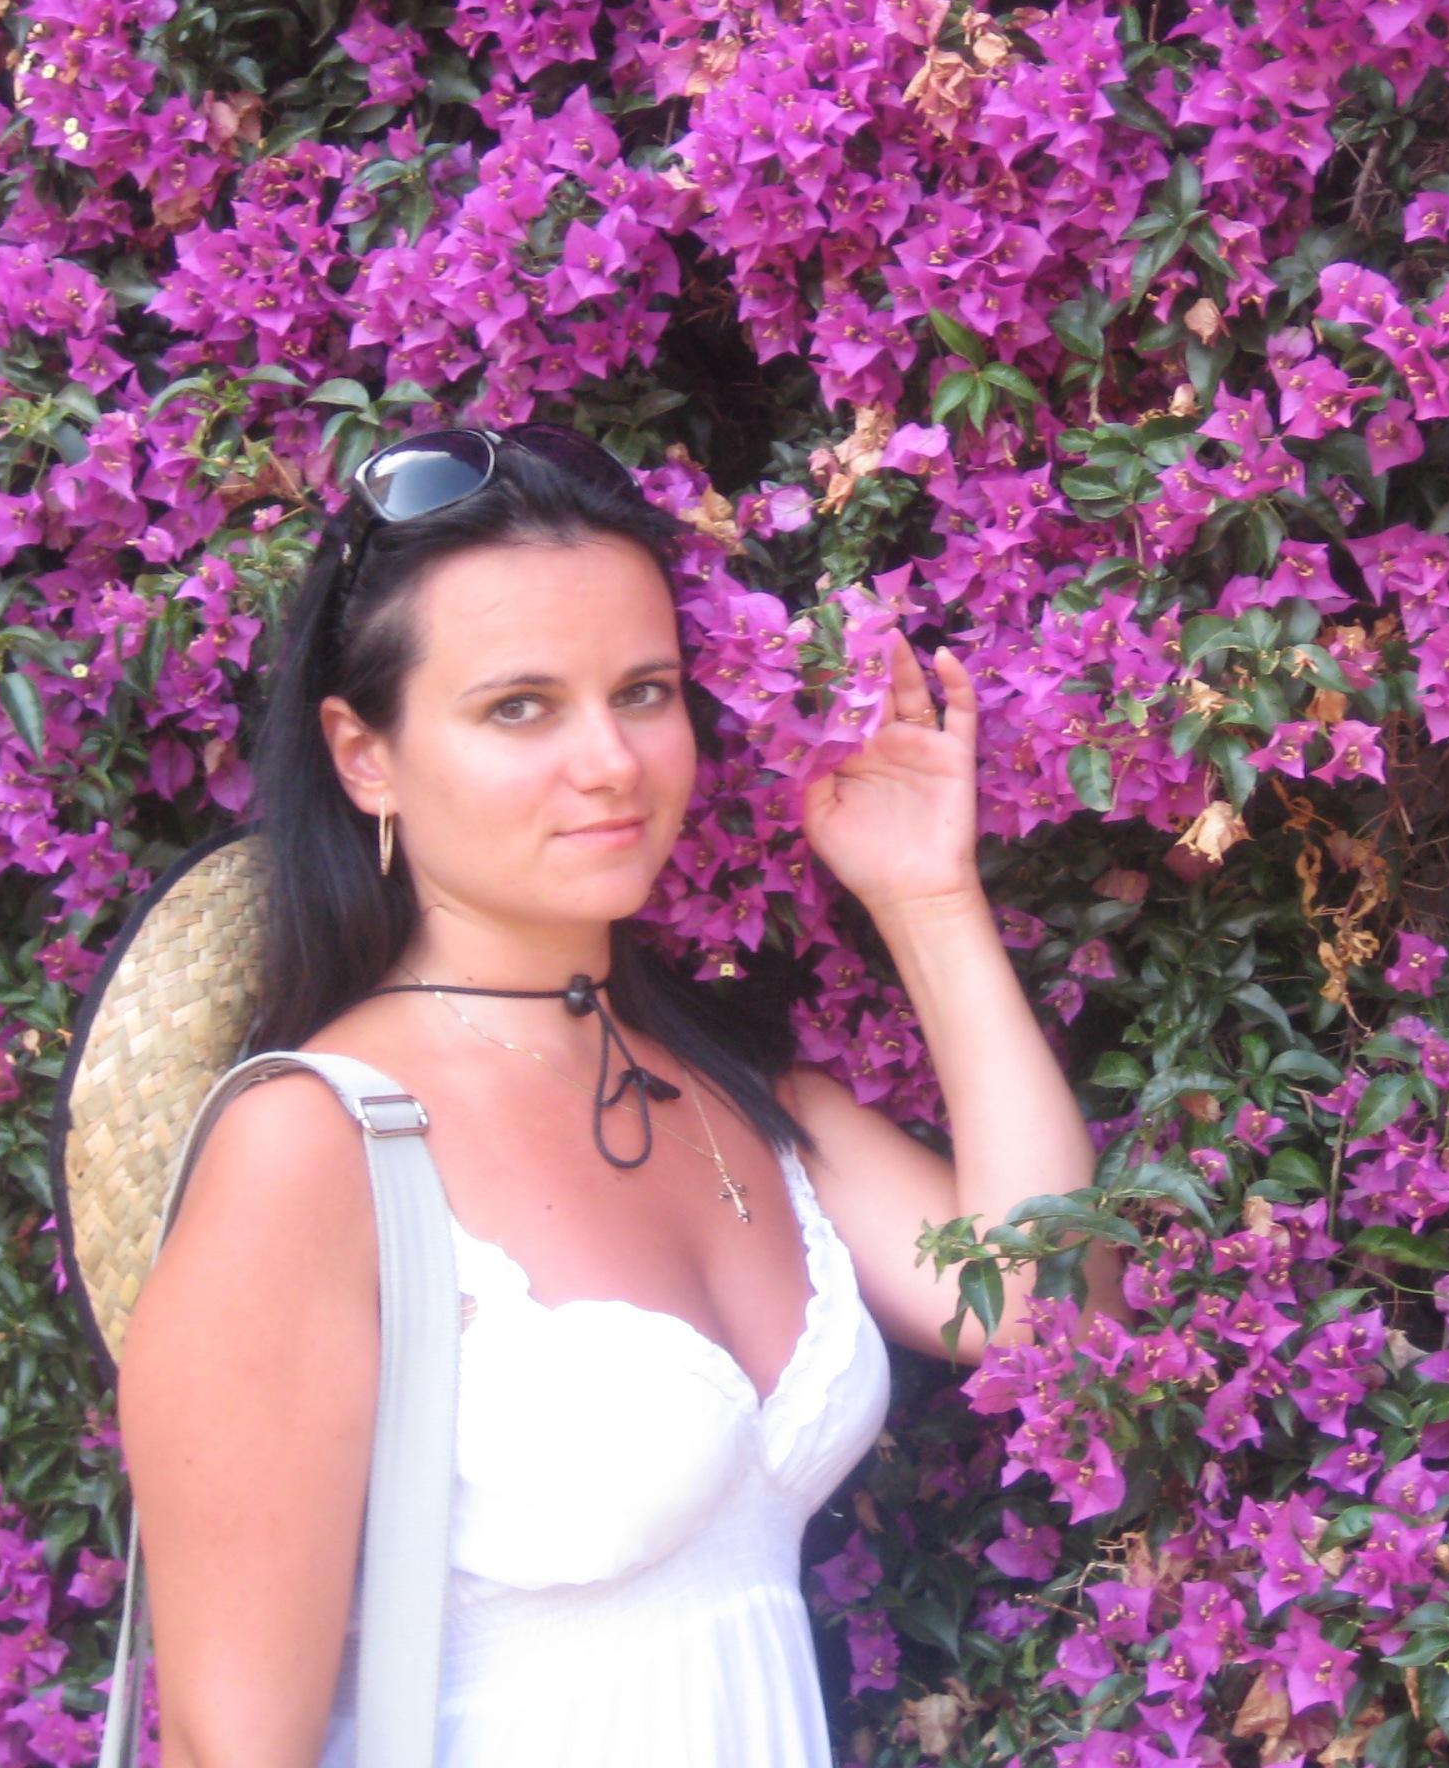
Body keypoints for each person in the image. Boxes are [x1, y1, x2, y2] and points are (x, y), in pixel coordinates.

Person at [114, 423, 1113, 1768]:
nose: (612, 762)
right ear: (363, 755)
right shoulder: (313, 1147)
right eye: (519, 708)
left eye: (643, 692)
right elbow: (230, 1751)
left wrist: (927, 898)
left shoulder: (736, 1091)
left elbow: (1048, 1311)